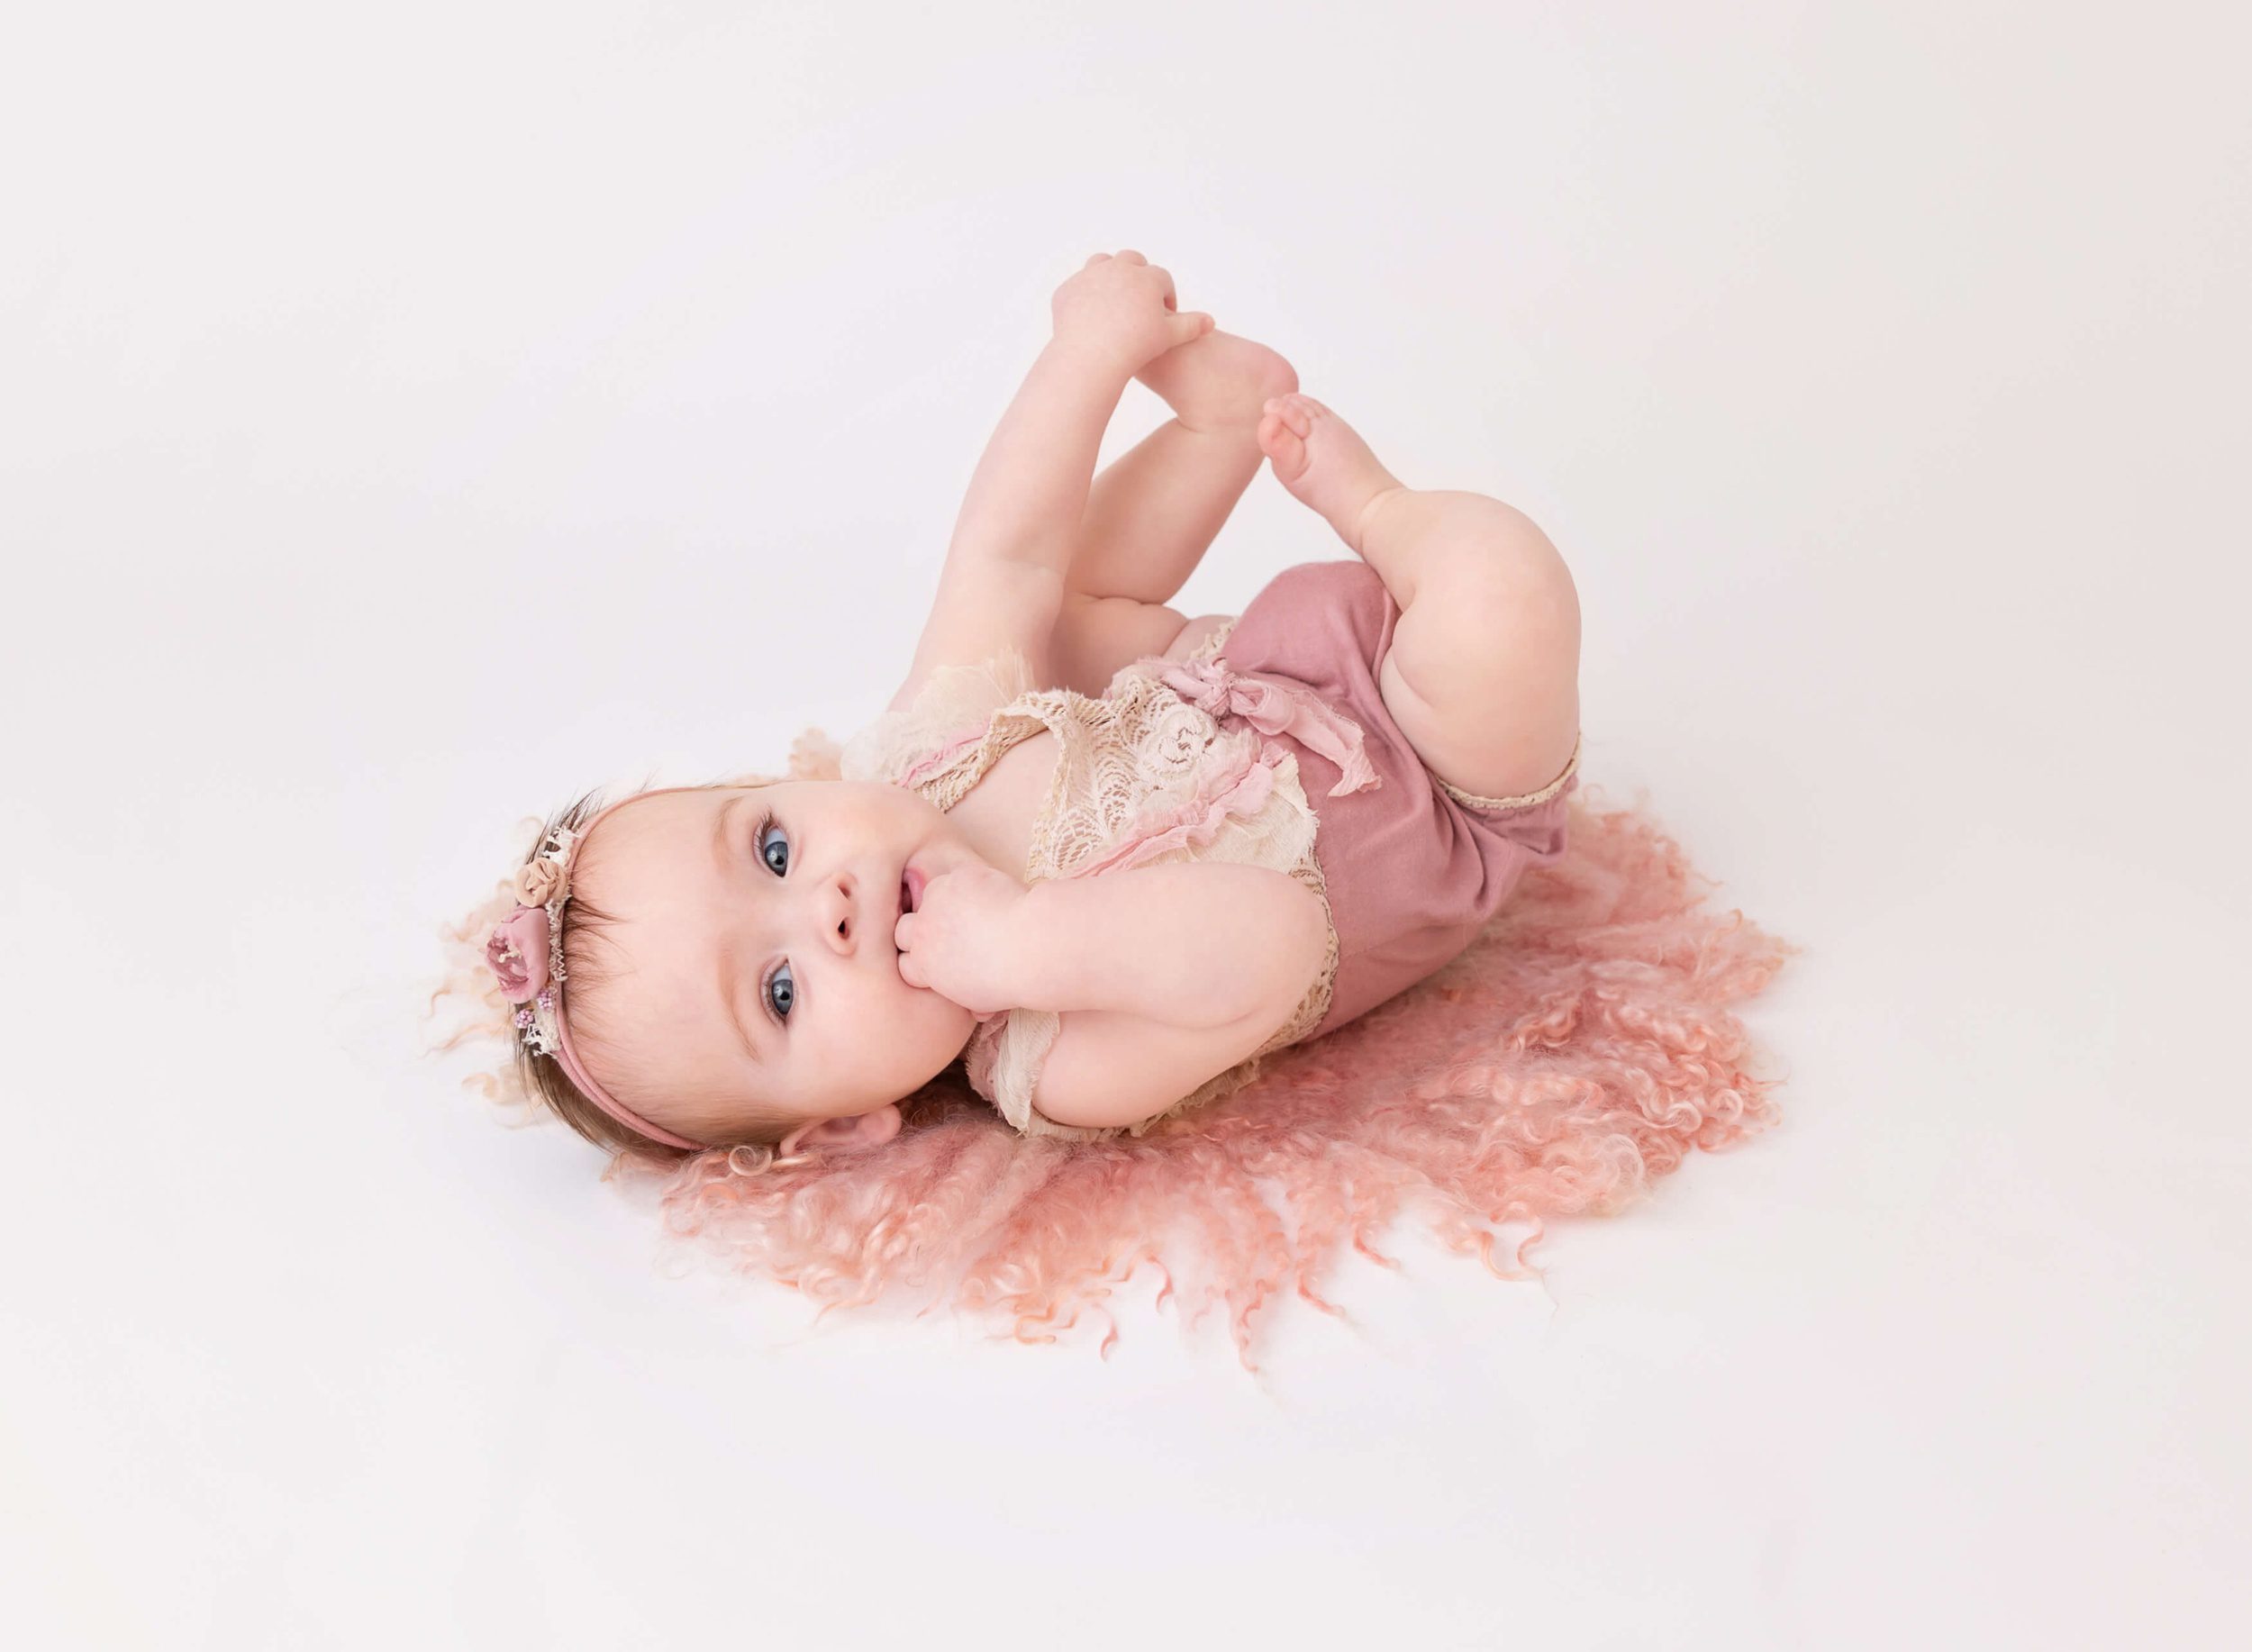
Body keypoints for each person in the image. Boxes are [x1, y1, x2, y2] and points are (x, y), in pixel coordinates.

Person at [468, 250, 1582, 1161]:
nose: (828, 908)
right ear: (853, 1121)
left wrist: (1085, 359)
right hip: (1436, 795)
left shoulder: (910, 765)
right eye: (779, 991)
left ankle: (1218, 425)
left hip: (1266, 671)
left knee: (1055, 614)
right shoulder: (1051, 1058)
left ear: (789, 787)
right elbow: (1275, 939)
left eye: (770, 849)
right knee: (1502, 585)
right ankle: (1381, 506)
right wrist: (1020, 945)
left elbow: (1004, 559)